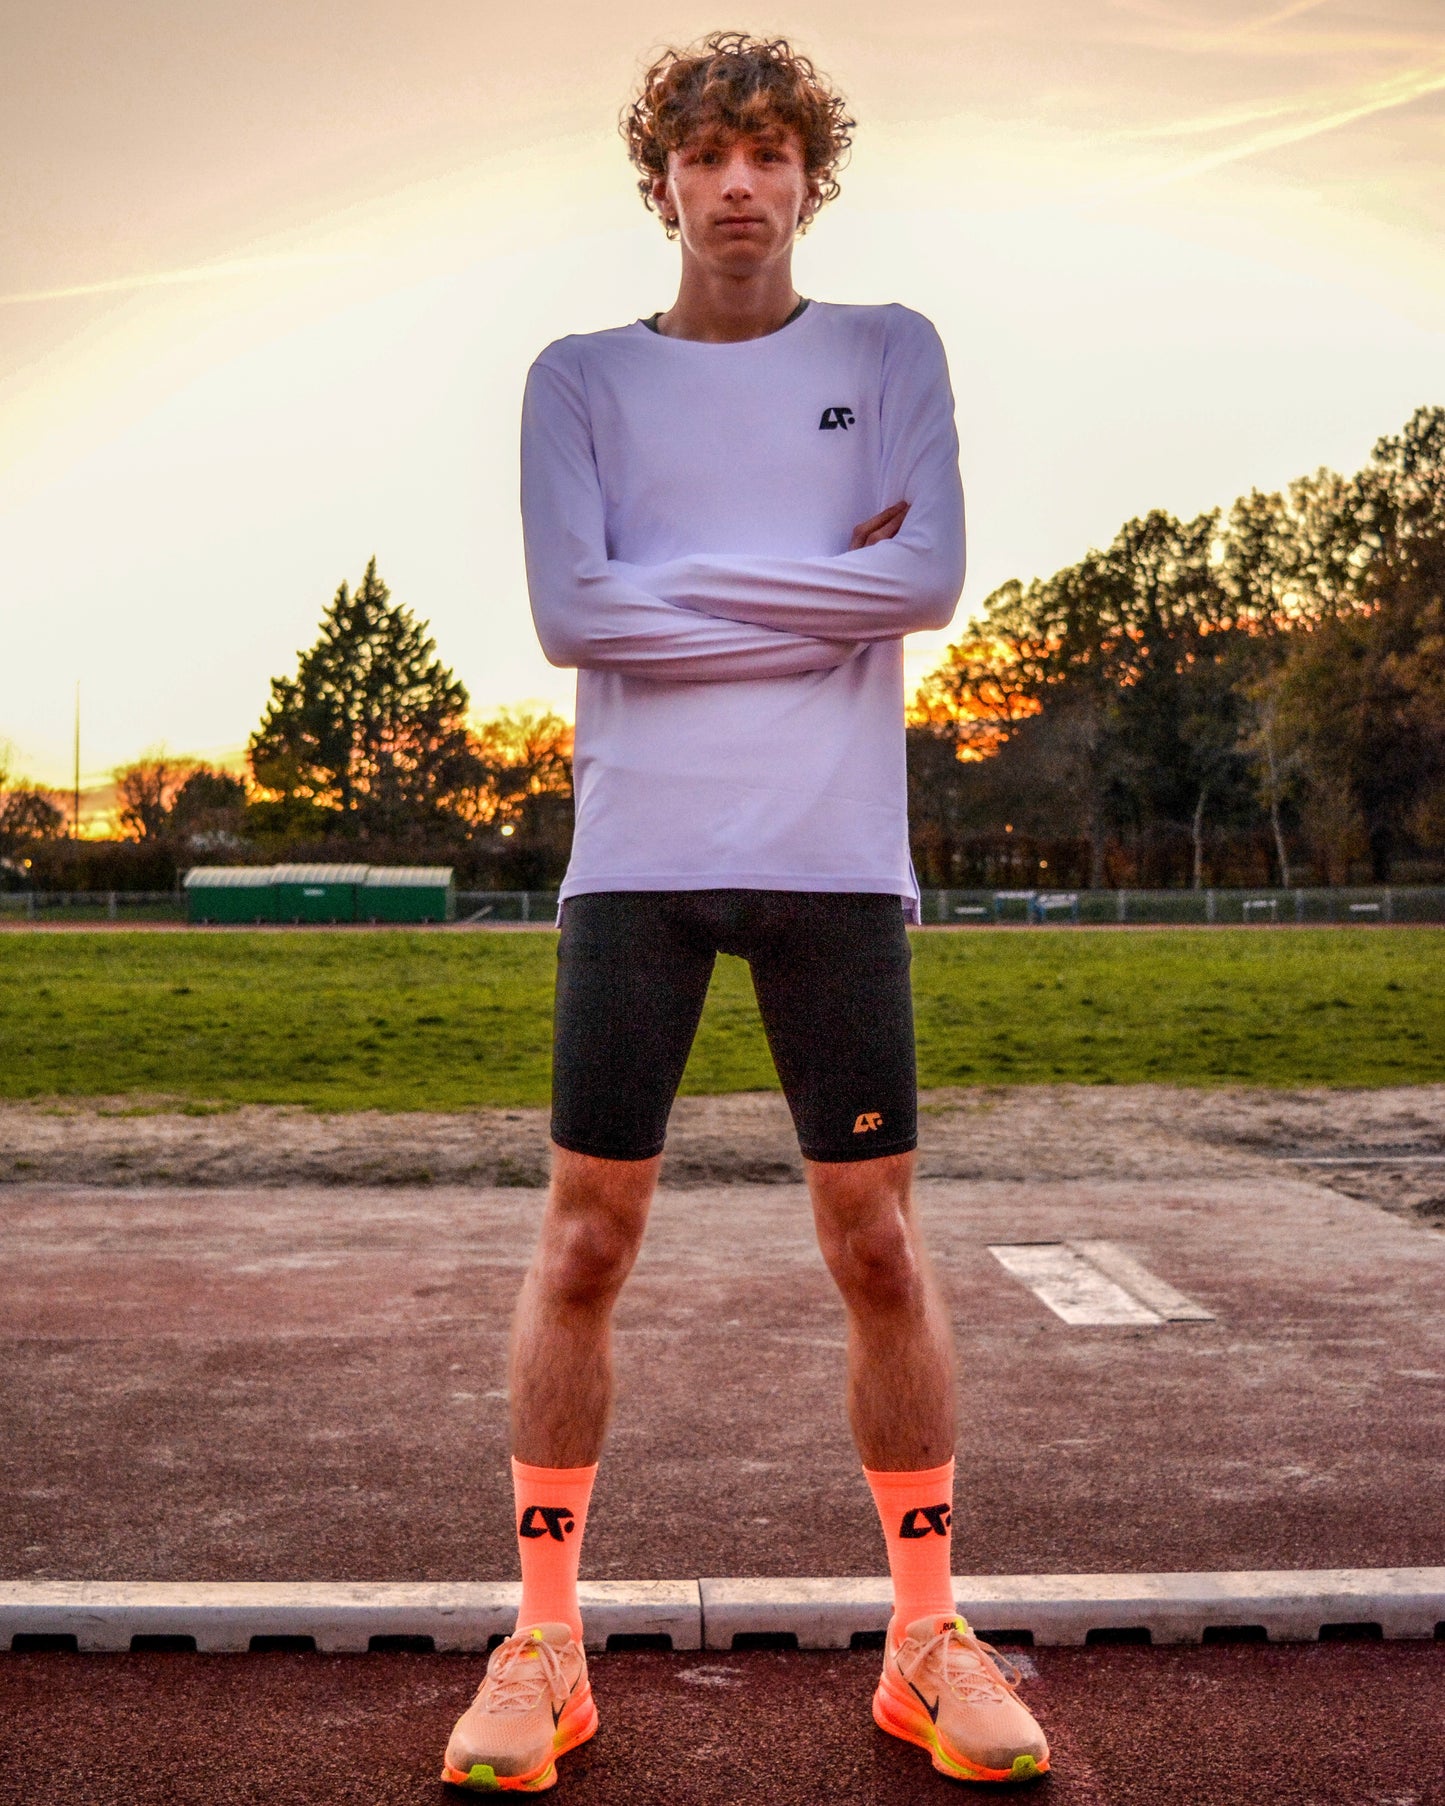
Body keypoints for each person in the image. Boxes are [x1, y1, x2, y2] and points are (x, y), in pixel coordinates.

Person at [442, 31, 1050, 1792]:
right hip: (634, 857)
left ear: (808, 181)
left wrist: (678, 589)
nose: (735, 183)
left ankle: (925, 1634)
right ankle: (544, 1643)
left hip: (834, 856)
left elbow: (927, 576)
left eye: (769, 152)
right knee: (582, 1241)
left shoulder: (889, 350)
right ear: (659, 186)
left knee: (876, 1240)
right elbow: (571, 614)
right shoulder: (576, 378)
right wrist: (820, 599)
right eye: (704, 155)